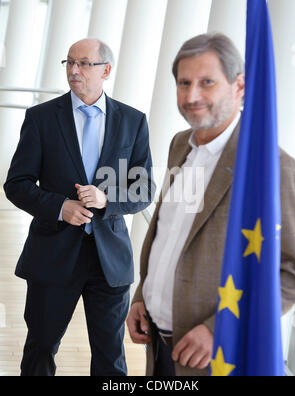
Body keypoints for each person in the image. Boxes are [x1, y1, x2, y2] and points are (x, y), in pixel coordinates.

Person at [127, 33, 295, 376]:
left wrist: (221, 327)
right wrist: (141, 297)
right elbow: (170, 233)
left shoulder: (272, 168)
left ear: (240, 85)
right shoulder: (180, 144)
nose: (192, 96)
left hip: (217, 358)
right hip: (159, 347)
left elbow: (294, 271)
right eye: (184, 83)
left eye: (206, 82)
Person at [4, 38, 155, 376]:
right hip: (52, 254)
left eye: (84, 63)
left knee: (110, 358)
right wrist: (60, 207)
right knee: (40, 347)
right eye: (69, 62)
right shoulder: (41, 118)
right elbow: (17, 184)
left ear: (106, 70)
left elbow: (144, 188)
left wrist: (106, 200)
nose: (74, 70)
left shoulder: (133, 121)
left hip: (109, 261)